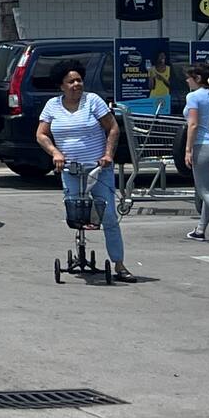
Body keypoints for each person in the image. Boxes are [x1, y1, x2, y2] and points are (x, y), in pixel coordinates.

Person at [36, 59, 135, 282]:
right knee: (76, 214)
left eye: (79, 80)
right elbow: (41, 134)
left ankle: (119, 264)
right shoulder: (52, 105)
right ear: (61, 85)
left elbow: (113, 128)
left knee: (108, 216)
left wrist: (108, 154)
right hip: (70, 169)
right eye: (71, 81)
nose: (76, 85)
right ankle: (80, 251)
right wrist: (55, 153)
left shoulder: (93, 101)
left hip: (98, 169)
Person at [184, 61, 209, 240]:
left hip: (202, 145)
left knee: (205, 192)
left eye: (189, 78)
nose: (187, 81)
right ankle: (200, 229)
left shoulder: (194, 97)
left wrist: (188, 150)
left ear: (197, 78)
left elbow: (193, 125)